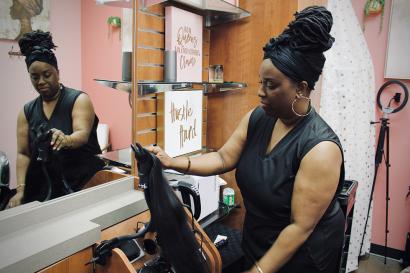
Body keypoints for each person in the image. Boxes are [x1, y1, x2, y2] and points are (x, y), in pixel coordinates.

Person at [148, 6, 345, 273]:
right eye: (261, 82)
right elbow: (223, 157)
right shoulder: (259, 118)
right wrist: (172, 162)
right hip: (258, 241)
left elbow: (299, 228)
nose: (260, 93)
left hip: (302, 257)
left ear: (301, 88)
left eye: (271, 85)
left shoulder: (321, 149)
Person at [9, 30, 104, 206]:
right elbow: (23, 153)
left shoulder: (78, 100)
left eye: (47, 74)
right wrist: (21, 190)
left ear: (58, 72)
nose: (41, 81)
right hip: (46, 190)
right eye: (34, 77)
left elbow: (82, 134)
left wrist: (66, 139)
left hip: (82, 184)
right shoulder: (26, 111)